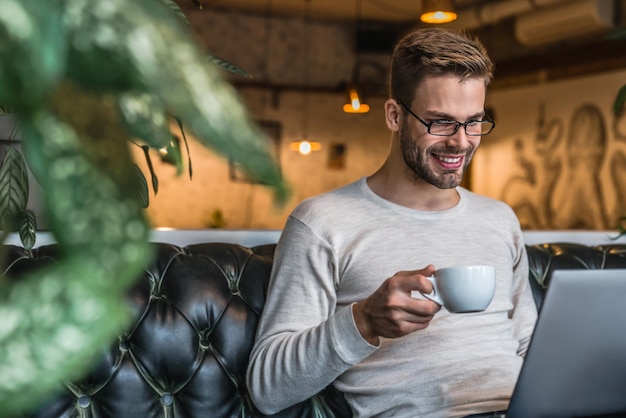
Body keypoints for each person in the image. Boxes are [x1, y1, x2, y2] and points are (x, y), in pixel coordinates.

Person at [246, 27, 538, 418]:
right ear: (394, 115)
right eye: (440, 122)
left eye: (473, 122)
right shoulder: (323, 222)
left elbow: (529, 346)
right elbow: (268, 388)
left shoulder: (500, 219)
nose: (461, 142)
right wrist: (363, 321)